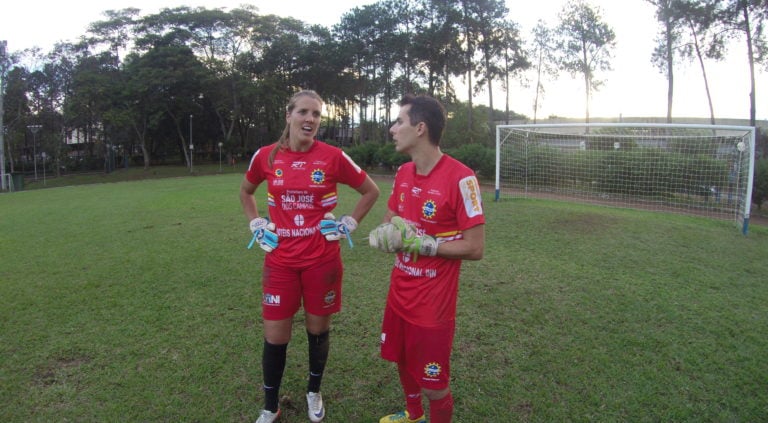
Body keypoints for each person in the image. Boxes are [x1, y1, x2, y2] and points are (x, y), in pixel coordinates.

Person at [240, 89, 380, 423]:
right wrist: (256, 222)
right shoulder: (265, 156)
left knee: (318, 331)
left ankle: (313, 391)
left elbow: (370, 190)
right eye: (303, 112)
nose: (310, 120)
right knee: (275, 336)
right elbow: (246, 191)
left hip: (322, 260)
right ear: (288, 115)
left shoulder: (333, 156)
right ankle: (270, 405)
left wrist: (350, 221)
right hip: (281, 261)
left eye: (317, 114)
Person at [368, 94, 485, 423]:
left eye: (399, 122)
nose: (392, 129)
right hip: (399, 293)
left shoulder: (462, 179)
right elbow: (392, 218)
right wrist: (387, 235)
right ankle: (414, 415)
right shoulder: (403, 173)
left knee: (434, 385)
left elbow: (475, 247)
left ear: (420, 128)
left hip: (432, 307)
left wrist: (427, 245)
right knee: (402, 361)